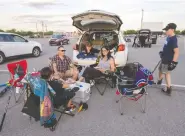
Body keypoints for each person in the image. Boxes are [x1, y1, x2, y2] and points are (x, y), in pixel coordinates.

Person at [156, 23, 179, 96]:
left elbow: (176, 52)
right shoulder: (168, 37)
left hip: (167, 60)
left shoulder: (173, 40)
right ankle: (160, 80)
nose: (166, 31)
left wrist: (173, 63)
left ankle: (168, 89)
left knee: (167, 74)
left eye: (167, 30)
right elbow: (166, 47)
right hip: (164, 58)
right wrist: (162, 52)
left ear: (172, 30)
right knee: (161, 70)